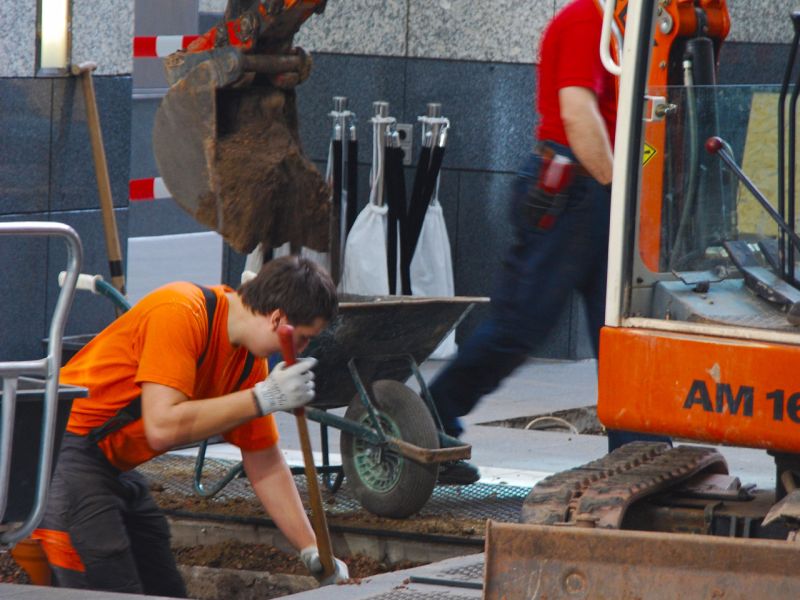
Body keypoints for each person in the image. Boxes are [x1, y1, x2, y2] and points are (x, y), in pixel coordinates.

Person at [432, 0, 667, 485]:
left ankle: (640, 457)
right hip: (574, 189)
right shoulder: (585, 19)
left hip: (588, 188)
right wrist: (623, 195)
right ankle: (427, 419)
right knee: (520, 326)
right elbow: (577, 114)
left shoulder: (613, 27)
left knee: (619, 333)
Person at [32, 256, 348, 595]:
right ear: (278, 319)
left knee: (162, 579)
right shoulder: (181, 311)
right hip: (57, 448)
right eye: (302, 338)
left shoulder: (247, 363)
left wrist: (311, 548)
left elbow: (265, 461)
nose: (300, 350)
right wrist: (262, 398)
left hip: (109, 462)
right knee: (109, 580)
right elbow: (162, 427)